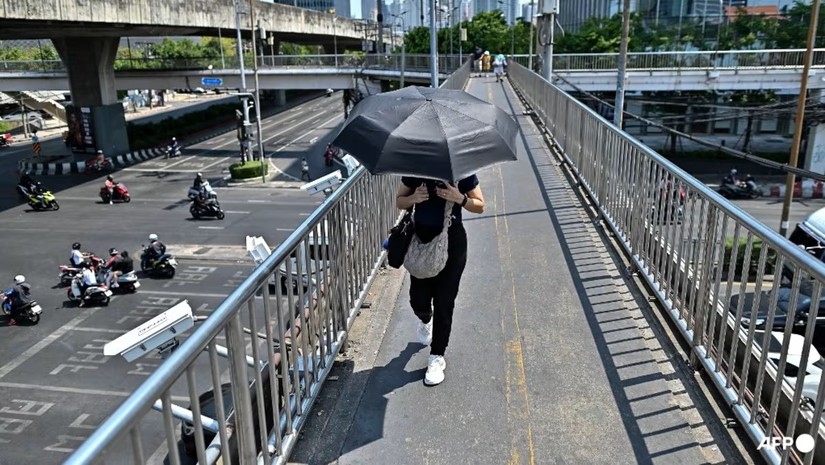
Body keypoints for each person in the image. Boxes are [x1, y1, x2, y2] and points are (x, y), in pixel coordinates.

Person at [395, 175, 485, 386]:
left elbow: (480, 205)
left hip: (453, 245)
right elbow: (400, 200)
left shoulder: (461, 171)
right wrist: (414, 198)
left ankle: (437, 356)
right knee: (418, 300)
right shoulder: (415, 168)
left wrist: (459, 198)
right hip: (421, 244)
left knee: (445, 302)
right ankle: (426, 318)